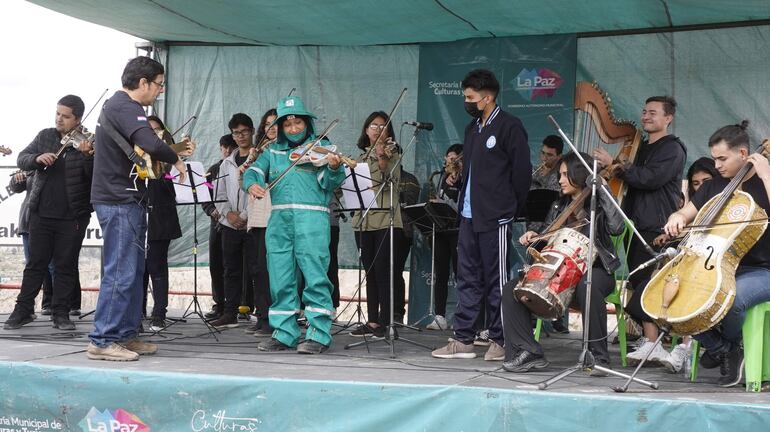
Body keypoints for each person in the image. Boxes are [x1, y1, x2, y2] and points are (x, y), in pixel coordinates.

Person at [87, 56, 186, 361]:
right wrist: (176, 159)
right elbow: (149, 141)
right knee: (121, 270)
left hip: (129, 198)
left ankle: (126, 334)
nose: (160, 90)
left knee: (133, 268)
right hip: (118, 199)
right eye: (159, 84)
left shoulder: (122, 108)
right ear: (143, 82)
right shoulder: (125, 106)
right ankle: (103, 339)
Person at [431, 69, 531, 361]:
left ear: (486, 98)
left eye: (470, 97)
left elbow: (522, 173)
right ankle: (464, 339)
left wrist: (509, 208)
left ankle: (500, 339)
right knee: (467, 277)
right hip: (468, 215)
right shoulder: (472, 129)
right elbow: (477, 172)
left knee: (496, 279)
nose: (466, 101)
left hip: (495, 217)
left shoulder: (509, 126)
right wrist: (459, 182)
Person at [664, 121, 770, 387]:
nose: (718, 165)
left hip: (761, 270)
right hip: (718, 266)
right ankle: (725, 349)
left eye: (722, 158)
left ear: (743, 154)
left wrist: (766, 174)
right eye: (714, 159)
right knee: (676, 301)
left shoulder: (764, 181)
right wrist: (676, 218)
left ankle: (727, 345)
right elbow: (687, 212)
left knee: (732, 299)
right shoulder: (714, 187)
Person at [502, 152, 625, 373]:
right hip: (559, 271)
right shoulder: (559, 206)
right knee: (512, 288)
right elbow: (547, 236)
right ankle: (528, 350)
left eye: (566, 175)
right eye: (560, 175)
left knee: (588, 284)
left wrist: (602, 187)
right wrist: (534, 236)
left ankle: (598, 357)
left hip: (596, 270)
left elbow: (617, 227)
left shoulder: (598, 201)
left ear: (581, 174)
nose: (560, 180)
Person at [244, 95, 345, 354]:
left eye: (298, 123)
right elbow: (254, 170)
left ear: (307, 123)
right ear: (280, 127)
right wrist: (252, 183)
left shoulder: (322, 147)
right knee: (280, 276)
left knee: (314, 275)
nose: (293, 129)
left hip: (312, 218)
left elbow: (332, 182)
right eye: (287, 125)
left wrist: (333, 168)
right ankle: (284, 332)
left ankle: (318, 333)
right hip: (279, 220)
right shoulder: (272, 152)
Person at [593, 95, 686, 366]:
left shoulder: (673, 149)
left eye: (653, 113)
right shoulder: (640, 147)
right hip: (636, 223)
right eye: (644, 111)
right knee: (639, 282)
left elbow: (650, 179)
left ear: (668, 118)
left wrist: (615, 165)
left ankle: (675, 346)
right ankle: (650, 342)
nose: (646, 116)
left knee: (652, 285)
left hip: (658, 225)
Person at [4, 95, 94, 332]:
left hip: (73, 215)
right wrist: (36, 158)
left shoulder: (89, 142)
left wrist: (87, 156)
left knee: (65, 265)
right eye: (57, 114)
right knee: (35, 264)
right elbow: (22, 158)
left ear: (77, 119)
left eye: (65, 116)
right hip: (41, 213)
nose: (59, 120)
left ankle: (61, 313)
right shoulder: (45, 135)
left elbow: (93, 178)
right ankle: (23, 310)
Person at [654, 157, 720, 373]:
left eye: (706, 181)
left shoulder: (729, 200)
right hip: (700, 257)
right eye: (696, 183)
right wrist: (672, 232)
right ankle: (686, 345)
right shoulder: (694, 205)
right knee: (677, 282)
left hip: (719, 263)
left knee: (691, 287)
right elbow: (686, 224)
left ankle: (692, 346)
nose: (701, 187)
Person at [348, 112, 403, 338]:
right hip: (364, 220)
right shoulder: (358, 158)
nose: (378, 129)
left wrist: (382, 157)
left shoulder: (394, 154)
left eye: (383, 126)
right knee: (369, 271)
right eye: (374, 125)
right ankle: (372, 322)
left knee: (384, 271)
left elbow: (390, 182)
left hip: (386, 220)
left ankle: (387, 321)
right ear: (366, 129)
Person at [141, 115, 194, 331]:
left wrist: (173, 158)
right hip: (138, 215)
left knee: (157, 266)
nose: (153, 134)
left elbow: (176, 190)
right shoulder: (137, 155)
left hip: (161, 217)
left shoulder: (171, 158)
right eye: (148, 130)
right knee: (139, 269)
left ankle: (159, 314)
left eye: (157, 130)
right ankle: (137, 313)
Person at [210, 113, 255, 328]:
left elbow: (262, 191)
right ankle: (230, 312)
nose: (240, 136)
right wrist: (228, 214)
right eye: (236, 133)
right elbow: (219, 194)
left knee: (257, 269)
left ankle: (263, 315)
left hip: (253, 223)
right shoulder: (226, 163)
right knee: (230, 269)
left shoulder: (260, 157)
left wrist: (244, 216)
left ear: (252, 132)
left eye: (244, 131)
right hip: (229, 224)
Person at [243, 109, 276, 337]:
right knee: (256, 269)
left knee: (269, 271)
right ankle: (262, 314)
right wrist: (249, 163)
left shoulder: (280, 154)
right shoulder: (260, 153)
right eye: (267, 124)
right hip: (255, 217)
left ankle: (272, 318)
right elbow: (241, 179)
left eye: (276, 124)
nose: (271, 128)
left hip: (272, 216)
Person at [426, 144, 463, 331]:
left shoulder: (465, 178)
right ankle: (439, 316)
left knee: (461, 274)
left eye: (455, 158)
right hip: (441, 231)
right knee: (440, 273)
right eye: (449, 157)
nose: (451, 161)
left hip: (458, 232)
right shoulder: (440, 177)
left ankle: (463, 315)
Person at [202, 135, 237, 320]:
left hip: (235, 222)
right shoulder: (214, 169)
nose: (228, 151)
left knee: (234, 266)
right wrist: (211, 210)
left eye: (231, 147)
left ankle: (241, 304)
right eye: (225, 147)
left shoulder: (242, 165)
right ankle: (219, 303)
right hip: (217, 223)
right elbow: (205, 194)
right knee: (216, 264)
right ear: (220, 148)